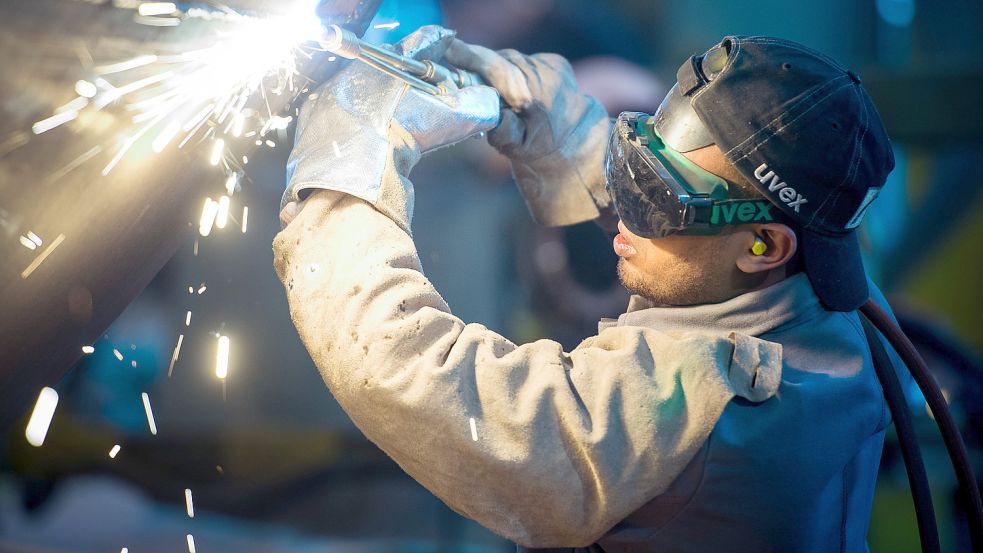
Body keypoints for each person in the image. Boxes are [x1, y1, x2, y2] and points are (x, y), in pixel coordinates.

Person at [275, 26, 897, 552]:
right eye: (635, 162)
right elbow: (698, 203)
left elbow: (418, 379)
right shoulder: (834, 302)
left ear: (763, 246)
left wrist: (341, 177)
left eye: (653, 197)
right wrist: (561, 130)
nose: (626, 211)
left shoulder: (704, 401)